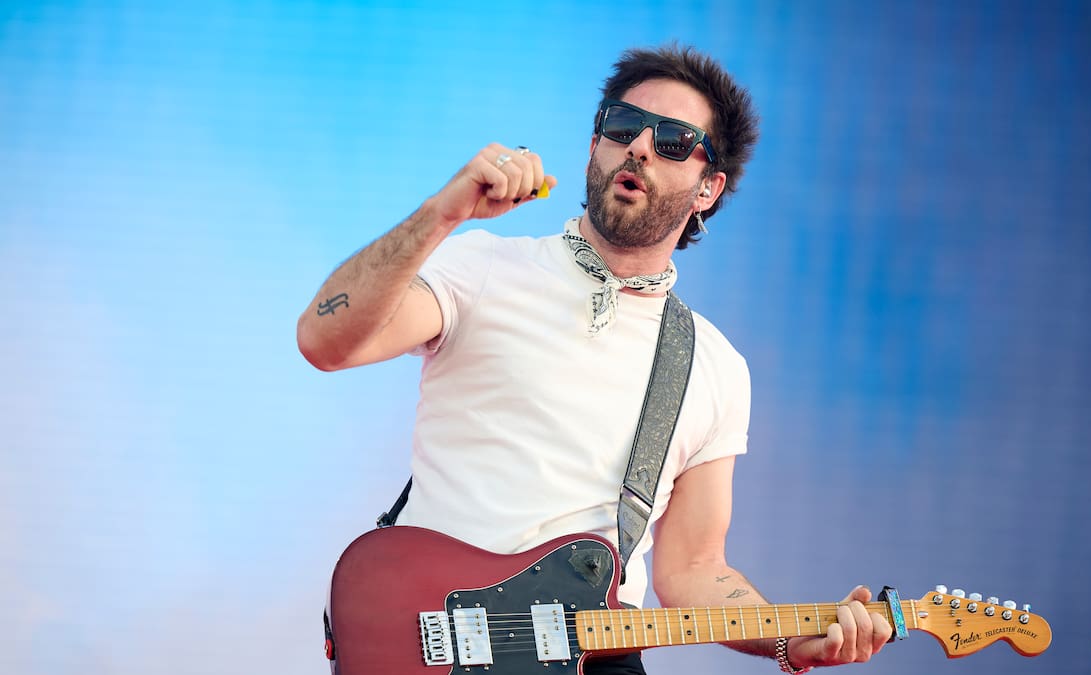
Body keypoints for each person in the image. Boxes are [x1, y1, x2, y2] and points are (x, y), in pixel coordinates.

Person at [297, 44, 890, 675]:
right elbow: (324, 341)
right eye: (624, 126)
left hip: (591, 653)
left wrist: (789, 639)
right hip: (435, 637)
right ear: (593, 147)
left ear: (708, 188)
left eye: (673, 141)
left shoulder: (713, 365)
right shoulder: (483, 266)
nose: (640, 148)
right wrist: (443, 214)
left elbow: (694, 568)